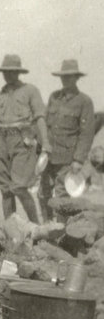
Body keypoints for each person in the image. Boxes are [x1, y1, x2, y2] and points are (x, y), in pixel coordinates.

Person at [0, 55, 48, 222]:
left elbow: (40, 118)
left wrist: (46, 145)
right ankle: (11, 231)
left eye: (12, 72)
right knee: (5, 189)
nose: (8, 75)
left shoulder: (30, 91)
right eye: (5, 72)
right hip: (1, 141)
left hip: (22, 140)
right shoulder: (0, 95)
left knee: (19, 187)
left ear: (18, 72)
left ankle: (35, 226)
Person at [40, 59, 95, 219]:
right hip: (49, 157)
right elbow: (46, 125)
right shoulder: (54, 97)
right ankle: (47, 229)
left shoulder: (84, 102)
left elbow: (87, 134)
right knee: (43, 194)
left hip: (67, 159)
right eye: (63, 77)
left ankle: (61, 234)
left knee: (62, 196)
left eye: (69, 77)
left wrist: (78, 160)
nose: (65, 80)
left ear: (76, 78)